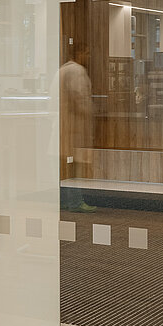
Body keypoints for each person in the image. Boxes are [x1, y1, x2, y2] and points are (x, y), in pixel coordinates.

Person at [60, 43, 96, 213]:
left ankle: (64, 200)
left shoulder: (62, 70)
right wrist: (91, 115)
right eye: (86, 52)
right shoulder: (77, 71)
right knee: (74, 168)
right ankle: (75, 201)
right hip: (74, 127)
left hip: (64, 127)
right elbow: (81, 99)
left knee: (66, 167)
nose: (88, 56)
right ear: (79, 52)